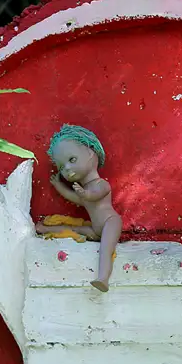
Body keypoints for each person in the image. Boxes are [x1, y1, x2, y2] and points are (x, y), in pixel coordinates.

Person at [36, 124, 122, 292]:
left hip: (110, 223)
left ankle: (103, 278)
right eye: (62, 167)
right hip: (95, 229)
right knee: (74, 228)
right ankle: (44, 228)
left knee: (105, 248)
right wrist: (58, 185)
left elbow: (95, 195)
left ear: (90, 153)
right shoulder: (82, 192)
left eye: (72, 160)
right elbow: (74, 197)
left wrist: (84, 193)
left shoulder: (101, 184)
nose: (67, 168)